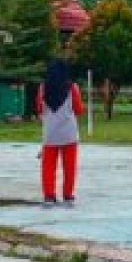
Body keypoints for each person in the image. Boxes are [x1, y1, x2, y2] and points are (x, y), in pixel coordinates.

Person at [39, 59, 85, 207]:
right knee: (70, 167)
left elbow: (39, 109)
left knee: (48, 167)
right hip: (69, 134)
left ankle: (49, 195)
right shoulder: (72, 88)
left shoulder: (42, 88)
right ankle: (68, 195)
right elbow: (78, 109)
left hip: (50, 134)